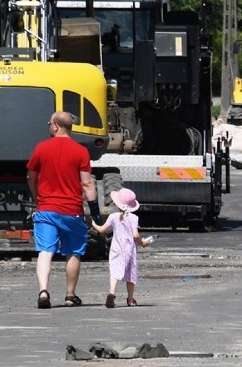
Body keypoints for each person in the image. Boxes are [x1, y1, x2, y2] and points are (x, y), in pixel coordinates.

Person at [27, 111, 99, 309]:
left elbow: (31, 177)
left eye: (50, 123)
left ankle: (43, 291)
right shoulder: (81, 151)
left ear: (56, 126)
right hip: (72, 211)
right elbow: (87, 184)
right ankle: (70, 295)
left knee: (45, 251)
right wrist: (95, 212)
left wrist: (37, 197)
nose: (49, 126)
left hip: (46, 209)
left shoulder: (41, 148)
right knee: (74, 252)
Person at [90, 187, 150, 308]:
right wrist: (142, 243)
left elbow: (102, 230)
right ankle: (130, 299)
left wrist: (93, 224)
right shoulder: (134, 218)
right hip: (129, 250)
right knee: (130, 273)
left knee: (115, 271)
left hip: (116, 248)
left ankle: (112, 292)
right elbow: (135, 235)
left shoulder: (113, 216)